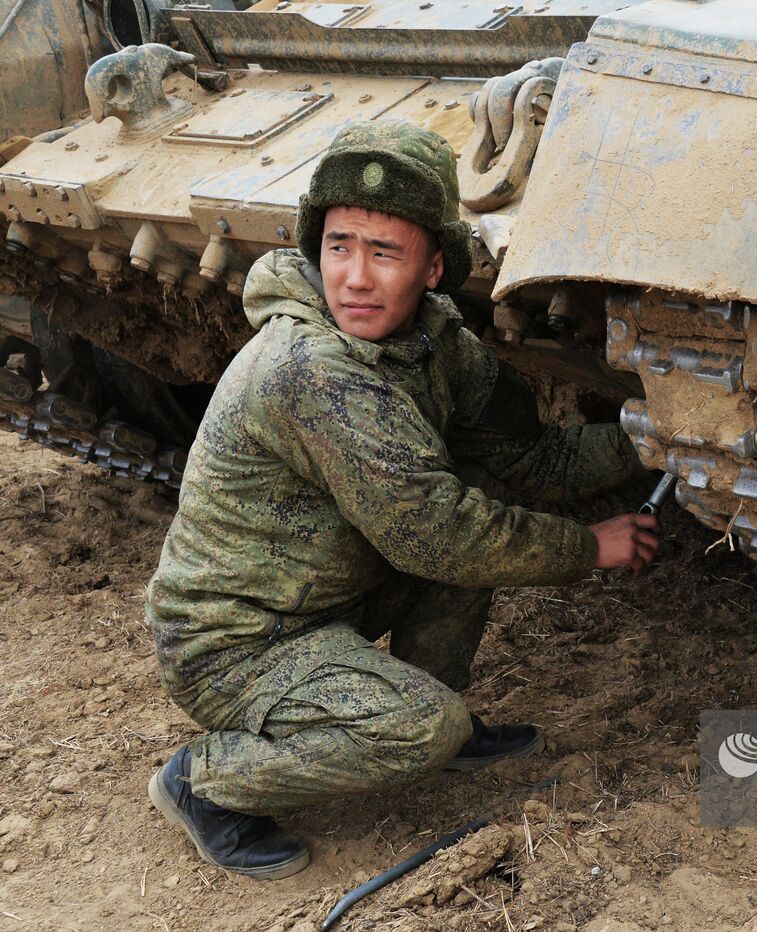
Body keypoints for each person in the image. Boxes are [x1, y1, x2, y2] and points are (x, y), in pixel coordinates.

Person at [143, 120, 660, 880]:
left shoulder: (436, 342)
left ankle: (426, 707)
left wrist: (656, 434)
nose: (354, 277)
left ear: (434, 266)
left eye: (385, 253)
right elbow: (439, 540)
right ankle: (206, 780)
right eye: (339, 247)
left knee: (479, 489)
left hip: (326, 596)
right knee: (424, 723)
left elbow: (531, 455)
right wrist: (591, 547)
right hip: (234, 643)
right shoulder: (308, 369)